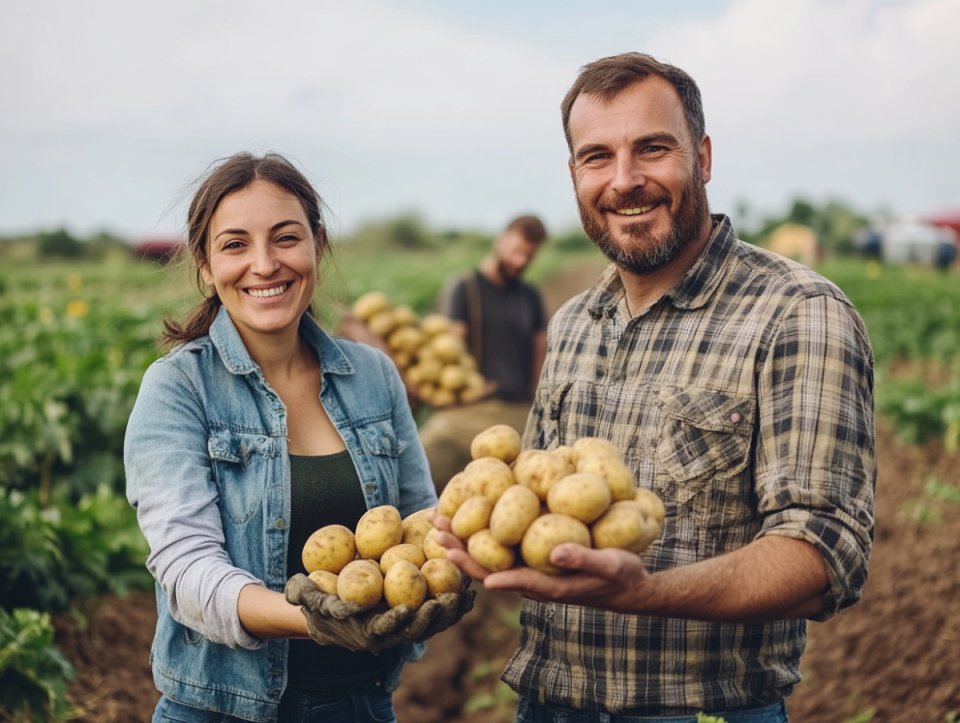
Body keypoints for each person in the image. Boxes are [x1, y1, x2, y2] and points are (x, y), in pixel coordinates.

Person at [436, 52, 876, 722]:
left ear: (702, 157)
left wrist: (644, 591)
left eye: (652, 149)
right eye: (597, 157)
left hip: (700, 710)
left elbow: (825, 550)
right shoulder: (575, 322)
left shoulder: (798, 312)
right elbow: (530, 499)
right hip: (548, 702)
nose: (625, 180)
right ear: (574, 174)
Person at [124, 151, 471, 723]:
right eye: (235, 245)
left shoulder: (374, 376)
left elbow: (420, 518)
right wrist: (313, 620)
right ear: (206, 265)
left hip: (361, 704)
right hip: (223, 710)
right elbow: (187, 570)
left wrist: (453, 569)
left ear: (316, 244)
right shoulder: (178, 387)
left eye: (285, 238)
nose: (264, 264)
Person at [419, 214, 549, 490]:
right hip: (470, 408)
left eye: (529, 256)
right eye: (516, 252)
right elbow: (450, 349)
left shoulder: (530, 295)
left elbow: (540, 351)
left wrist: (539, 408)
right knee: (417, 467)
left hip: (517, 411)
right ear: (500, 242)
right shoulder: (465, 287)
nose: (521, 262)